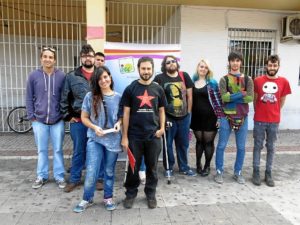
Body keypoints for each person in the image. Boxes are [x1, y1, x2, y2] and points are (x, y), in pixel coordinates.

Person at [73, 66, 122, 212]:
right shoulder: (90, 96)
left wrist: (119, 123)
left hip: (113, 140)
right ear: (96, 81)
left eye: (106, 77)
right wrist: (94, 128)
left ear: (110, 77)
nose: (103, 80)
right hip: (95, 139)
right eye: (100, 78)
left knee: (109, 171)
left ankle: (108, 198)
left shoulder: (119, 97)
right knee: (92, 171)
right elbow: (84, 117)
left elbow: (121, 117)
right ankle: (87, 198)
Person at [121, 56, 166, 209]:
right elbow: (125, 114)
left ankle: (151, 193)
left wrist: (161, 129)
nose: (146, 71)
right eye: (143, 68)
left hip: (153, 136)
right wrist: (125, 137)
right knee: (133, 167)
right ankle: (131, 193)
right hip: (134, 136)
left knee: (152, 167)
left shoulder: (158, 89)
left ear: (152, 70)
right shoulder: (130, 89)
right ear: (138, 69)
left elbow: (161, 110)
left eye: (148, 68)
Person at [26, 46, 66, 189]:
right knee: (42, 150)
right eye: (45, 56)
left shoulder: (61, 76)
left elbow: (65, 97)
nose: (48, 59)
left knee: (57, 149)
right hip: (39, 120)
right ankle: (41, 176)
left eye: (50, 57)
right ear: (41, 58)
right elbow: (29, 97)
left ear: (54, 60)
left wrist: (64, 115)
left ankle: (59, 176)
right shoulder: (33, 76)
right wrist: (32, 117)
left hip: (57, 120)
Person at [214, 51, 253, 184]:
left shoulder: (248, 79)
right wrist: (241, 94)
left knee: (241, 147)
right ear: (229, 62)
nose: (235, 63)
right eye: (232, 60)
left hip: (243, 117)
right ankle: (219, 171)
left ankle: (238, 172)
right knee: (221, 145)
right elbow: (224, 98)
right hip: (226, 116)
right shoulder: (223, 79)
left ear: (241, 62)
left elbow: (250, 97)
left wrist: (233, 96)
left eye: (238, 60)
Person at [252, 55, 291, 187]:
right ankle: (256, 171)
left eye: (275, 65)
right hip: (259, 120)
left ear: (278, 66)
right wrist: (260, 112)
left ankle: (268, 173)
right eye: (270, 65)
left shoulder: (284, 82)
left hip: (274, 121)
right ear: (266, 66)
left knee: (271, 147)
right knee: (257, 146)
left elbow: (282, 100)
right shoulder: (257, 81)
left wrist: (274, 111)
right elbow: (255, 99)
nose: (272, 68)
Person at [60, 44, 95, 192]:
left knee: (96, 150)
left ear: (94, 57)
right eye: (85, 56)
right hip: (78, 121)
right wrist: (67, 116)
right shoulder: (72, 76)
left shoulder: (101, 74)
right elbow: (64, 97)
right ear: (81, 58)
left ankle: (98, 179)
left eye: (90, 55)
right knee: (79, 150)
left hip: (96, 121)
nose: (88, 58)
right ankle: (74, 179)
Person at [154, 55, 196, 177]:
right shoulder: (159, 78)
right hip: (168, 117)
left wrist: (188, 113)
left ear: (177, 63)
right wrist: (162, 118)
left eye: (173, 61)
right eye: (168, 62)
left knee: (183, 144)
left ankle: (184, 167)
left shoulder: (185, 76)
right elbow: (157, 100)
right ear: (164, 66)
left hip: (184, 118)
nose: (171, 63)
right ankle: (168, 167)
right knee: (168, 144)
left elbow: (190, 96)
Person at [190, 59, 224, 176]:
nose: (203, 69)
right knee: (199, 142)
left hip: (210, 117)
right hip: (196, 117)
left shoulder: (212, 83)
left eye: (205, 67)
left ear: (208, 70)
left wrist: (219, 118)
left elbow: (218, 101)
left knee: (208, 143)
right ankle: (198, 164)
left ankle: (207, 166)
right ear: (197, 68)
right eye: (201, 66)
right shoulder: (191, 82)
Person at [94, 51, 106, 191]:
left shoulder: (106, 77)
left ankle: (101, 178)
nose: (99, 62)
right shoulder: (79, 75)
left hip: (103, 123)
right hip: (86, 121)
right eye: (97, 59)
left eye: (102, 60)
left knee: (102, 152)